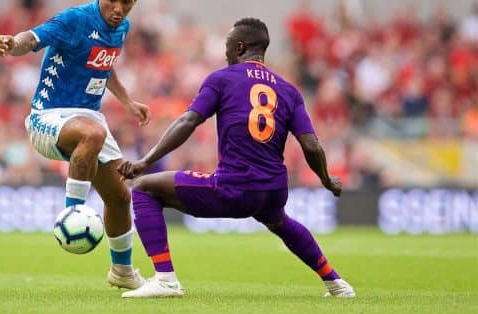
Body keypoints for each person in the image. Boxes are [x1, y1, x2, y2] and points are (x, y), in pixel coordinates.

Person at [118, 18, 356, 298]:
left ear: (240, 47)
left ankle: (165, 279)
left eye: (228, 46)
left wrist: (145, 161)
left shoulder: (222, 79)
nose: (225, 53)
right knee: (279, 221)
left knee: (145, 187)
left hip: (236, 187)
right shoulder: (288, 90)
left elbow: (188, 121)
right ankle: (337, 284)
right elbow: (312, 145)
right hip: (273, 190)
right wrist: (326, 179)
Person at [0, 0, 149, 289]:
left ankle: (122, 272)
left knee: (120, 197)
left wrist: (128, 102)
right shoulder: (75, 20)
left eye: (126, 2)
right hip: (48, 118)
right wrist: (13, 44)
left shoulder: (121, 28)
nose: (118, 8)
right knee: (94, 133)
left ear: (134, 0)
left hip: (88, 122)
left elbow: (105, 66)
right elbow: (33, 38)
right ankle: (72, 215)